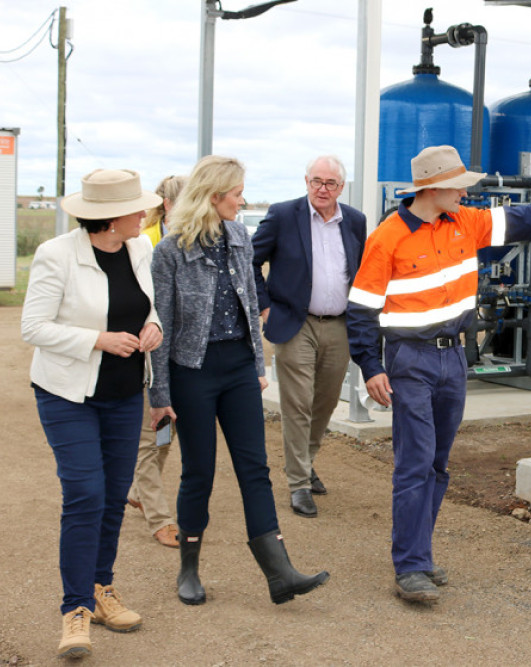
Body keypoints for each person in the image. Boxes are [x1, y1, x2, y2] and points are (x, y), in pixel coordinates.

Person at [346, 145, 531, 602]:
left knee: (437, 463)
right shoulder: (387, 237)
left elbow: (528, 219)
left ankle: (421, 554)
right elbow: (361, 310)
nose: (466, 193)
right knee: (415, 462)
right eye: (459, 185)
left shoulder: (466, 223)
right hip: (409, 360)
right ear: (433, 188)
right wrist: (370, 366)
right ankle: (410, 566)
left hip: (454, 357)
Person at [148, 155, 328, 607]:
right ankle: (188, 570)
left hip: (237, 369)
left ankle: (279, 573)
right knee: (199, 473)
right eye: (237, 193)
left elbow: (249, 306)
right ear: (214, 197)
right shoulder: (170, 251)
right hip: (192, 372)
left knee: (255, 469)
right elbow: (162, 326)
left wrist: (257, 367)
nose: (242, 200)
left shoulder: (239, 237)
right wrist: (160, 395)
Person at [21, 169, 164, 658]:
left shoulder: (140, 248)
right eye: (137, 208)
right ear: (110, 218)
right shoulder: (56, 255)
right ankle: (75, 610)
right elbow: (33, 326)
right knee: (85, 493)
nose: (145, 213)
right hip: (66, 394)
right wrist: (96, 340)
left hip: (125, 394)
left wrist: (153, 327)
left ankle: (102, 590)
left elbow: (148, 306)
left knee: (112, 496)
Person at [252, 156, 367, 518]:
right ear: (306, 181)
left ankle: (307, 459)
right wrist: (264, 306)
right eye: (316, 181)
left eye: (330, 183)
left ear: (341, 187)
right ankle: (299, 484)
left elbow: (359, 271)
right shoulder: (283, 215)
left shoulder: (355, 221)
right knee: (298, 404)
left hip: (339, 325)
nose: (322, 188)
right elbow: (250, 262)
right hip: (294, 324)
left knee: (326, 403)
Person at [126, 174, 186, 548]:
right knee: (153, 436)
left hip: (182, 357)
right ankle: (159, 517)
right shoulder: (143, 243)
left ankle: (136, 490)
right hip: (151, 356)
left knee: (165, 436)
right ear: (167, 205)